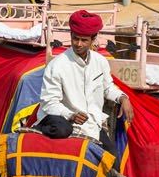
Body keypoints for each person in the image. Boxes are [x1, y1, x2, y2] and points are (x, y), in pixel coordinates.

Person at [36, 10, 133, 146]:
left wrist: (123, 98)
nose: (78, 44)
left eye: (84, 40)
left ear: (93, 40)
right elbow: (49, 103)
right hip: (65, 126)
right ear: (70, 35)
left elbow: (108, 88)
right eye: (75, 38)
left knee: (113, 162)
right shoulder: (56, 66)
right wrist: (70, 115)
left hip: (93, 125)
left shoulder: (100, 62)